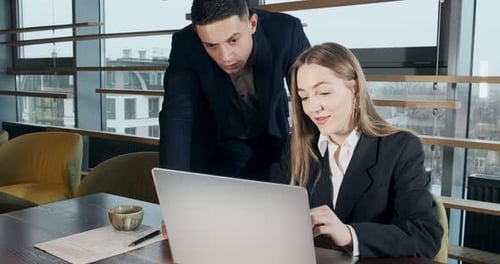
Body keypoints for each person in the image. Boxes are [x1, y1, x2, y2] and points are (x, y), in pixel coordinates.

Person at [273, 42, 443, 258]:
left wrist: (349, 235)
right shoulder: (297, 148)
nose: (313, 107)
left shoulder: (400, 148)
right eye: (304, 97)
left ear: (355, 89)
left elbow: (425, 236)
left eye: (323, 92)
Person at [159, 0, 310, 181]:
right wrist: (173, 187)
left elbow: (310, 98)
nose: (225, 57)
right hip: (217, 147)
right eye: (211, 46)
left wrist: (298, 167)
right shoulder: (185, 44)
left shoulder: (285, 32)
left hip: (274, 143)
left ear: (252, 24)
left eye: (233, 40)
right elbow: (177, 115)